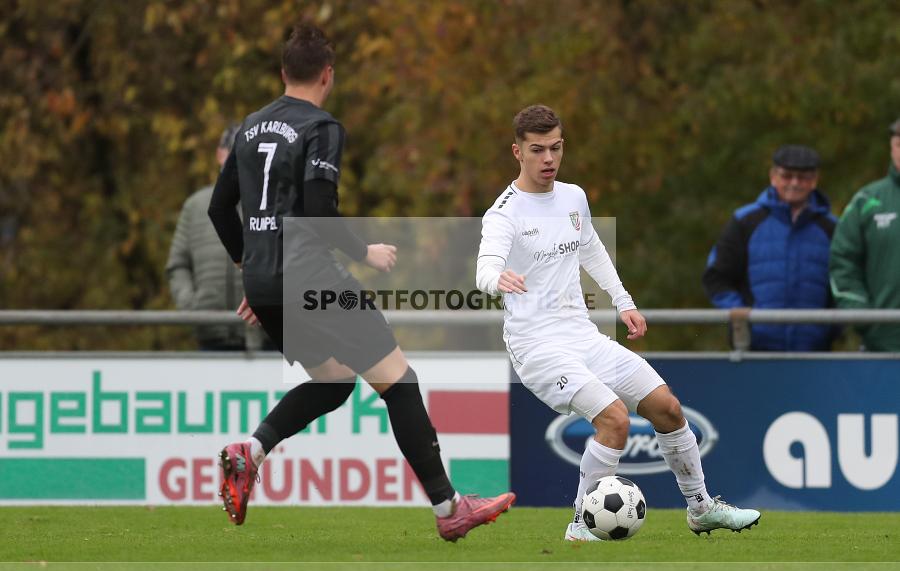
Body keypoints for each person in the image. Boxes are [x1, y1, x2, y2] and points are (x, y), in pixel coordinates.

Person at [207, 22, 514, 541]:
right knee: (400, 381)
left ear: (284, 73)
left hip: (267, 282)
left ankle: (250, 451)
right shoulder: (321, 127)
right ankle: (450, 508)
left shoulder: (251, 127)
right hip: (309, 276)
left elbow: (220, 209)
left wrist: (254, 268)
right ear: (327, 75)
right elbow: (320, 208)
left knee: (332, 381)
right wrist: (364, 252)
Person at [476, 104, 759, 541]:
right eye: (537, 150)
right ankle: (580, 523)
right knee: (614, 419)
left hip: (582, 335)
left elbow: (591, 250)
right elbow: (484, 268)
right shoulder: (505, 212)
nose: (548, 159)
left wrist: (623, 302)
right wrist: (497, 277)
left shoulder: (574, 197)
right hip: (536, 346)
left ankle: (701, 509)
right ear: (517, 152)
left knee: (667, 407)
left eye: (555, 148)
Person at [702, 145, 837, 351]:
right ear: (773, 177)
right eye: (787, 176)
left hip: (814, 352)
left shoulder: (831, 227)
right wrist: (742, 318)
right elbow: (716, 277)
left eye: (802, 177)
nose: (794, 183)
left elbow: (843, 285)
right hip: (754, 353)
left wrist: (828, 330)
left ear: (814, 180)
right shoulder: (745, 221)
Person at [166, 124, 250, 350]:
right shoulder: (196, 206)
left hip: (267, 336)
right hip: (211, 336)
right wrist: (193, 307)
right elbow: (178, 265)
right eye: (232, 152)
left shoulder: (271, 203)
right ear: (219, 154)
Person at [829, 119, 900, 351]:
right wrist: (861, 314)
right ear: (891, 149)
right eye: (899, 144)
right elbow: (843, 262)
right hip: (882, 346)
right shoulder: (867, 200)